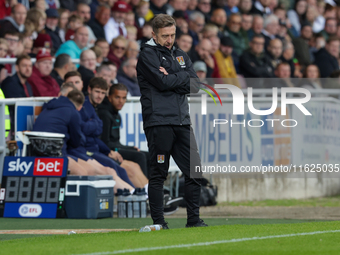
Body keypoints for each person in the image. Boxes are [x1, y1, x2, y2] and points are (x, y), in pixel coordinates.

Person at [136, 14, 207, 229]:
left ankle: (193, 220)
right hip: (159, 121)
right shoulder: (147, 55)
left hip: (182, 121)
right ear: (153, 35)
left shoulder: (180, 54)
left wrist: (173, 76)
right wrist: (181, 77)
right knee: (159, 173)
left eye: (173, 35)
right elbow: (162, 82)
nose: (170, 40)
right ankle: (159, 222)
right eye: (165, 36)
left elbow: (195, 85)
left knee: (194, 171)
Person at [98, 83, 150, 178]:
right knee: (140, 156)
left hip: (115, 148)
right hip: (108, 151)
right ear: (109, 98)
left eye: (124, 98)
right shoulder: (105, 114)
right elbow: (105, 142)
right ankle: (143, 188)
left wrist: (130, 148)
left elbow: (116, 142)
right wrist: (127, 149)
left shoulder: (117, 115)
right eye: (117, 97)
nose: (121, 101)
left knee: (148, 155)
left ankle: (153, 186)